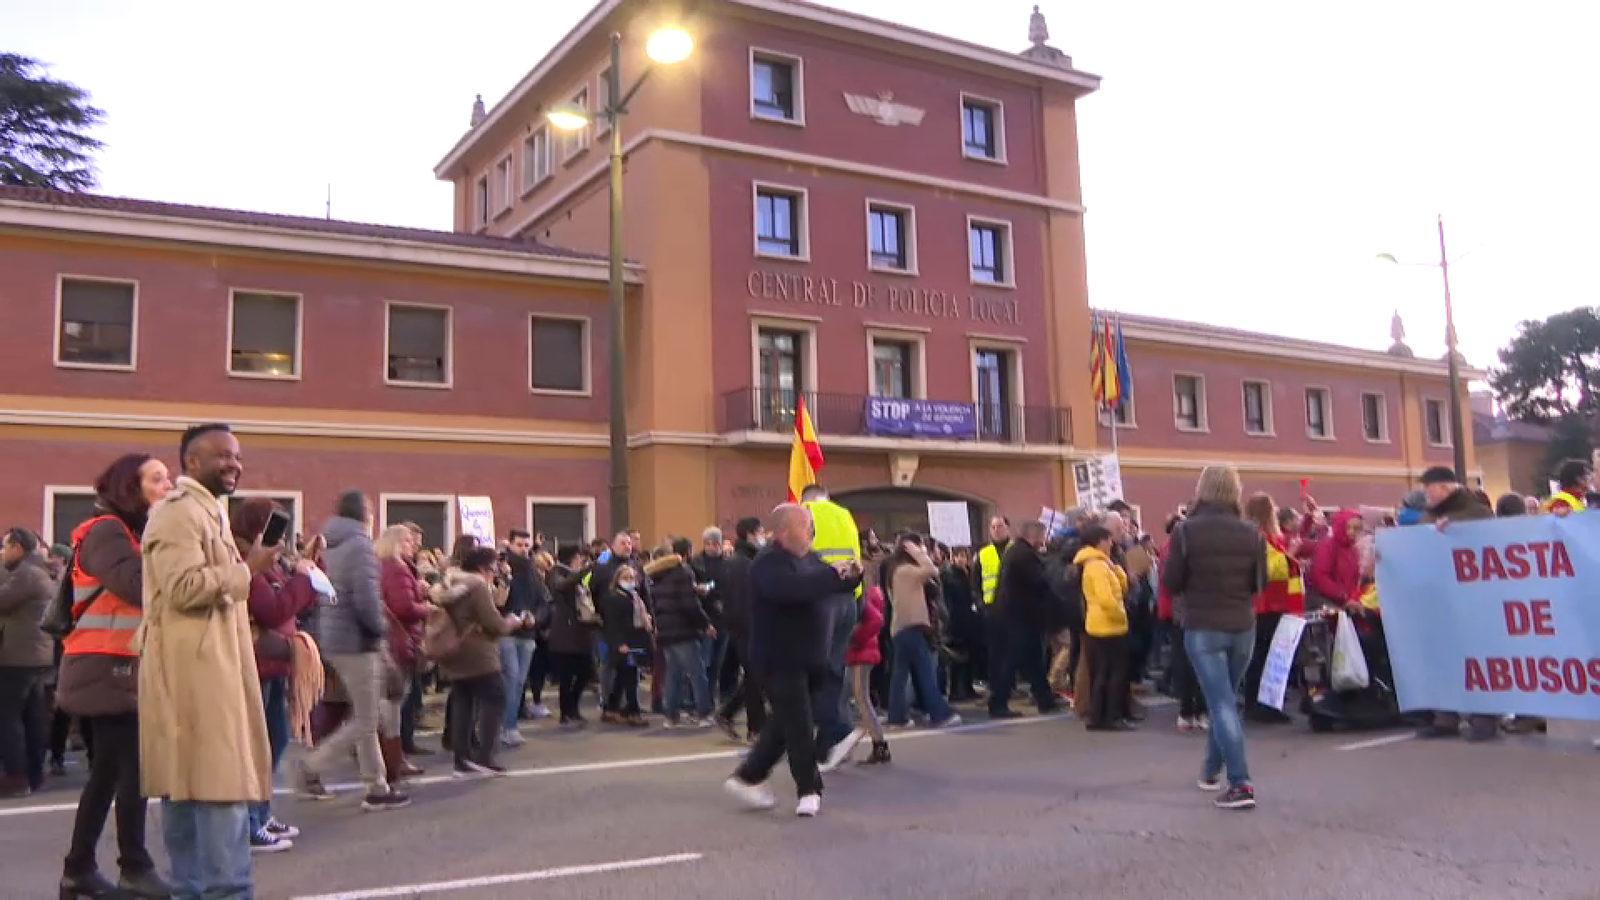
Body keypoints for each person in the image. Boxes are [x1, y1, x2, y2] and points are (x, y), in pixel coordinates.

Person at [138, 423, 279, 897]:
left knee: (193, 786)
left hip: (208, 671)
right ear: (192, 462)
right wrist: (249, 569)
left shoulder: (209, 510)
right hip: (195, 677)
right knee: (216, 787)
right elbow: (182, 589)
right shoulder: (177, 514)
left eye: (237, 456)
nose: (234, 464)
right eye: (223, 456)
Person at [56, 454, 174, 899]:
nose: (169, 485)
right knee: (133, 769)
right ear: (131, 486)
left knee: (106, 772)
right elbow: (137, 585)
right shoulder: (108, 531)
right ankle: (134, 866)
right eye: (157, 479)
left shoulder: (127, 531)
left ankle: (78, 870)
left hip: (114, 664)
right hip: (104, 665)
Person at [723, 504, 861, 818]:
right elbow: (794, 590)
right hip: (779, 658)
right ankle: (808, 790)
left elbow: (834, 583)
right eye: (806, 525)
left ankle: (748, 776)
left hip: (812, 658)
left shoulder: (810, 559)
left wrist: (852, 575)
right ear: (785, 531)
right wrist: (832, 574)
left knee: (786, 723)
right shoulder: (767, 563)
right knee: (798, 723)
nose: (812, 531)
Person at [1161, 465, 1266, 811]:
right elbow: (1258, 584)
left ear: (1202, 489)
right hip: (1243, 625)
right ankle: (1210, 771)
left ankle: (1240, 783)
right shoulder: (1253, 532)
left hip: (1203, 625)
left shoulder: (1186, 532)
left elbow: (1172, 582)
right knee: (1225, 702)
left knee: (1221, 704)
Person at [297, 491, 409, 810]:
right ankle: (310, 767)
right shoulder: (360, 546)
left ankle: (377, 787)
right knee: (366, 719)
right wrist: (380, 629)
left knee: (366, 716)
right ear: (366, 513)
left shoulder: (333, 543)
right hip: (357, 641)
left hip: (335, 636)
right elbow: (366, 600)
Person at [231, 498, 320, 852]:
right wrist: (301, 580)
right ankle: (251, 822)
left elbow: (297, 602)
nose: (280, 537)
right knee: (259, 747)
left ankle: (262, 813)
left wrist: (310, 568)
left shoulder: (268, 562)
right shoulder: (246, 562)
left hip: (275, 662)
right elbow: (272, 610)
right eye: (273, 528)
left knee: (275, 742)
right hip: (258, 663)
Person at [1415, 466, 1498, 741]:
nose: (1425, 494)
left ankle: (1484, 717)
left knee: (1479, 659)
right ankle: (1445, 717)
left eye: (1429, 489)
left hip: (1473, 601)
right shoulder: (1428, 517)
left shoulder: (1477, 514)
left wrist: (1455, 533)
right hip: (1440, 600)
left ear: (1445, 489)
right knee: (1443, 658)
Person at [433, 546, 518, 776]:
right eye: (493, 569)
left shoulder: (450, 583)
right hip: (478, 652)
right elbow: (494, 623)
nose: (495, 573)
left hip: (454, 650)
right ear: (482, 568)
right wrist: (510, 623)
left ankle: (462, 760)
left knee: (463, 701)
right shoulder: (477, 586)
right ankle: (484, 756)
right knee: (496, 695)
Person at [797, 485, 864, 771]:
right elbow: (858, 559)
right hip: (847, 599)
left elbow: (797, 558)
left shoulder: (803, 514)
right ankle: (830, 738)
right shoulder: (845, 514)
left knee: (811, 671)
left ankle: (833, 732)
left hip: (818, 599)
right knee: (835, 669)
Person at [0, 527, 54, 800]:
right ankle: (33, 773)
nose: (3, 553)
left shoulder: (26, 574)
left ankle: (16, 777)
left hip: (19, 656)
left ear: (18, 547)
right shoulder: (39, 570)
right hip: (35, 654)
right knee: (32, 716)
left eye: (5, 547)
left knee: (9, 717)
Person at [989, 521, 1059, 719]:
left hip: (1020, 616)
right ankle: (998, 703)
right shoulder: (1024, 554)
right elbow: (1040, 580)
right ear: (1035, 536)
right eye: (1043, 535)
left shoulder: (1017, 551)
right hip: (1017, 617)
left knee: (1034, 660)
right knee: (1011, 661)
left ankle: (1045, 700)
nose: (1045, 539)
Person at [1075, 523, 1132, 731]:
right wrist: (1121, 614)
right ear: (1099, 542)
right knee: (1112, 674)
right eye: (1108, 540)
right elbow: (1107, 599)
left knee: (1102, 673)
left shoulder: (1101, 563)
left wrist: (1116, 568)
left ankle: (1099, 716)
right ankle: (1109, 716)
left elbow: (1122, 586)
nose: (1111, 543)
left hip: (1100, 624)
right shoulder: (1096, 567)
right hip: (1108, 626)